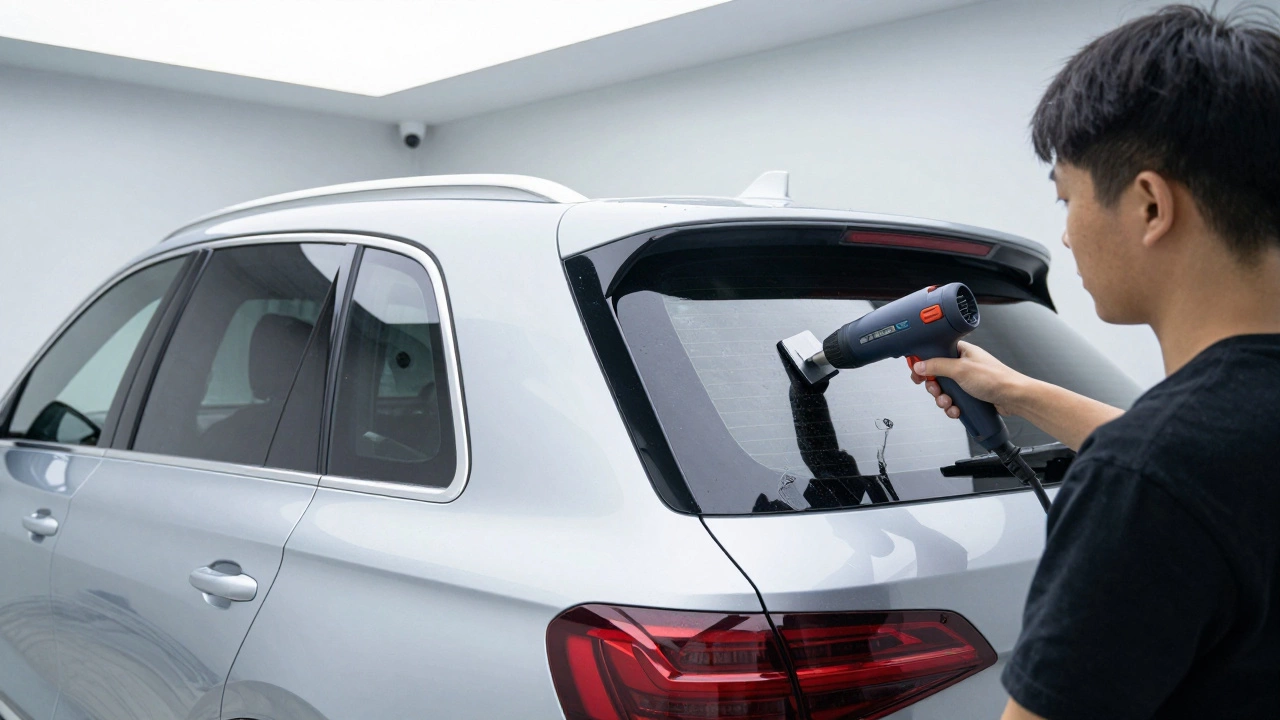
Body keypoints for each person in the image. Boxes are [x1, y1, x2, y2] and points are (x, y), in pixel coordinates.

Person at [908, 5, 1280, 719]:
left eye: (1068, 198)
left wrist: (1130, 460)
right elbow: (1219, 465)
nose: (1069, 237)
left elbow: (1168, 471)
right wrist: (1015, 391)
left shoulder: (1146, 482)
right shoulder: (1197, 457)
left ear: (1148, 205)